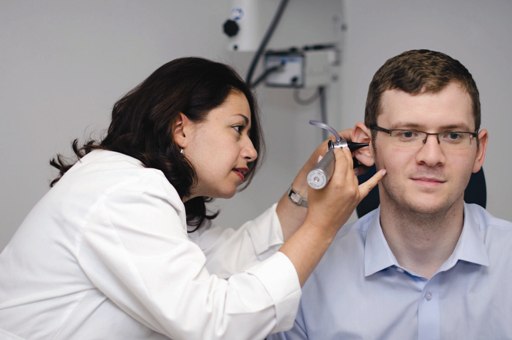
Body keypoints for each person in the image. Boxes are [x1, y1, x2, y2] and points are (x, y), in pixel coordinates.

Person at [0, 57, 384, 340]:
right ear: (180, 128)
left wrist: (306, 188)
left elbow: (226, 262)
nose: (251, 152)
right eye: (238, 129)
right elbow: (214, 323)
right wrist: (322, 226)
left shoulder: (131, 190)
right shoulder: (126, 194)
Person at [269, 49, 512, 340]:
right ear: (367, 145)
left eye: (453, 135)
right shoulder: (308, 277)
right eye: (407, 134)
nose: (432, 157)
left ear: (479, 150)